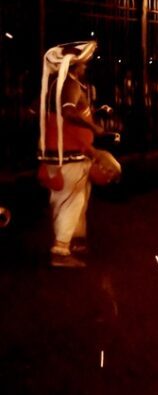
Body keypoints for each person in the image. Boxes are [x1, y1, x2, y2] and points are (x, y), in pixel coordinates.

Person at [37, 41, 105, 268]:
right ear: (74, 66)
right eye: (83, 65)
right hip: (69, 154)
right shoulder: (70, 84)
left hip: (59, 152)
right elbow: (67, 110)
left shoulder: (54, 84)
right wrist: (93, 127)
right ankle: (61, 251)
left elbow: (40, 111)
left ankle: (75, 240)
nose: (85, 68)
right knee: (70, 201)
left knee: (71, 199)